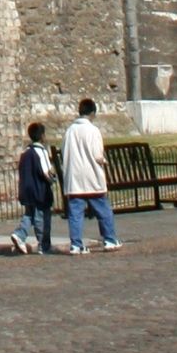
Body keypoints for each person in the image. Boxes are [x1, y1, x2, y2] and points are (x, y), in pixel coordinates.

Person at [61, 99, 120, 253]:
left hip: (74, 178)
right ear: (92, 113)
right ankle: (109, 239)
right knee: (103, 210)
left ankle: (76, 244)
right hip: (92, 176)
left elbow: (64, 153)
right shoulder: (93, 131)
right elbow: (97, 155)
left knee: (75, 214)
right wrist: (105, 162)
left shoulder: (69, 131)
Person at [9, 122, 57, 255]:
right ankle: (44, 245)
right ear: (42, 136)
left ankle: (19, 234)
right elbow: (47, 172)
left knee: (29, 215)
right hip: (40, 191)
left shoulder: (25, 152)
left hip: (26, 190)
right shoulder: (41, 151)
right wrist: (53, 180)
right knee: (42, 218)